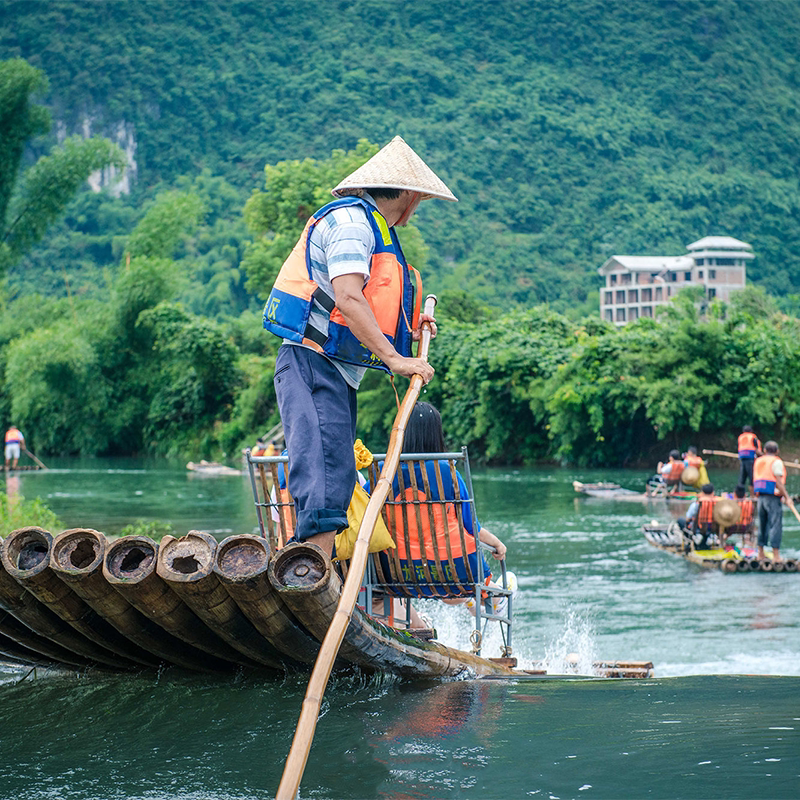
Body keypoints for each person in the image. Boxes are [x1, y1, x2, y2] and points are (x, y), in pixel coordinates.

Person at [262, 136, 455, 557]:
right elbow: (348, 298)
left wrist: (411, 330)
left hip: (334, 371)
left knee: (338, 470)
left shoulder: (369, 227)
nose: (417, 208)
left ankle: (318, 571)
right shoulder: (352, 224)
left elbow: (371, 301)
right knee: (325, 474)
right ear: (407, 194)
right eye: (419, 199)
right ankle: (312, 577)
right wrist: (395, 359)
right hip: (313, 364)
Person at [376, 402, 515, 614]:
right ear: (436, 434)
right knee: (454, 578)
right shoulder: (448, 472)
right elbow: (470, 526)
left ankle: (486, 598)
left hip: (393, 574)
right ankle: (494, 598)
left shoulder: (380, 471)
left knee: (438, 578)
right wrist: (497, 543)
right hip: (450, 571)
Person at [754, 441, 788, 563]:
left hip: (760, 497)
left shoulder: (758, 461)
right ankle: (776, 556)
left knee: (762, 525)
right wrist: (787, 497)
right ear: (777, 451)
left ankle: (761, 554)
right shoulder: (776, 461)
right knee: (775, 525)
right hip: (773, 497)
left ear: (764, 450)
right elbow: (778, 482)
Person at [684, 483, 718, 549]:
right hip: (713, 528)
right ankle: (703, 543)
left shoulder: (697, 504)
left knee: (681, 521)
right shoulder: (717, 504)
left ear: (702, 492)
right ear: (713, 492)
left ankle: (691, 544)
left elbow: (688, 519)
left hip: (699, 528)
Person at [737, 426, 762, 491]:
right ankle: (753, 495)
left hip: (742, 459)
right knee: (752, 477)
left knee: (742, 478)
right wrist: (763, 456)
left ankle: (739, 494)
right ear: (751, 431)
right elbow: (756, 450)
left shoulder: (741, 437)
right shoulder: (753, 437)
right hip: (750, 459)